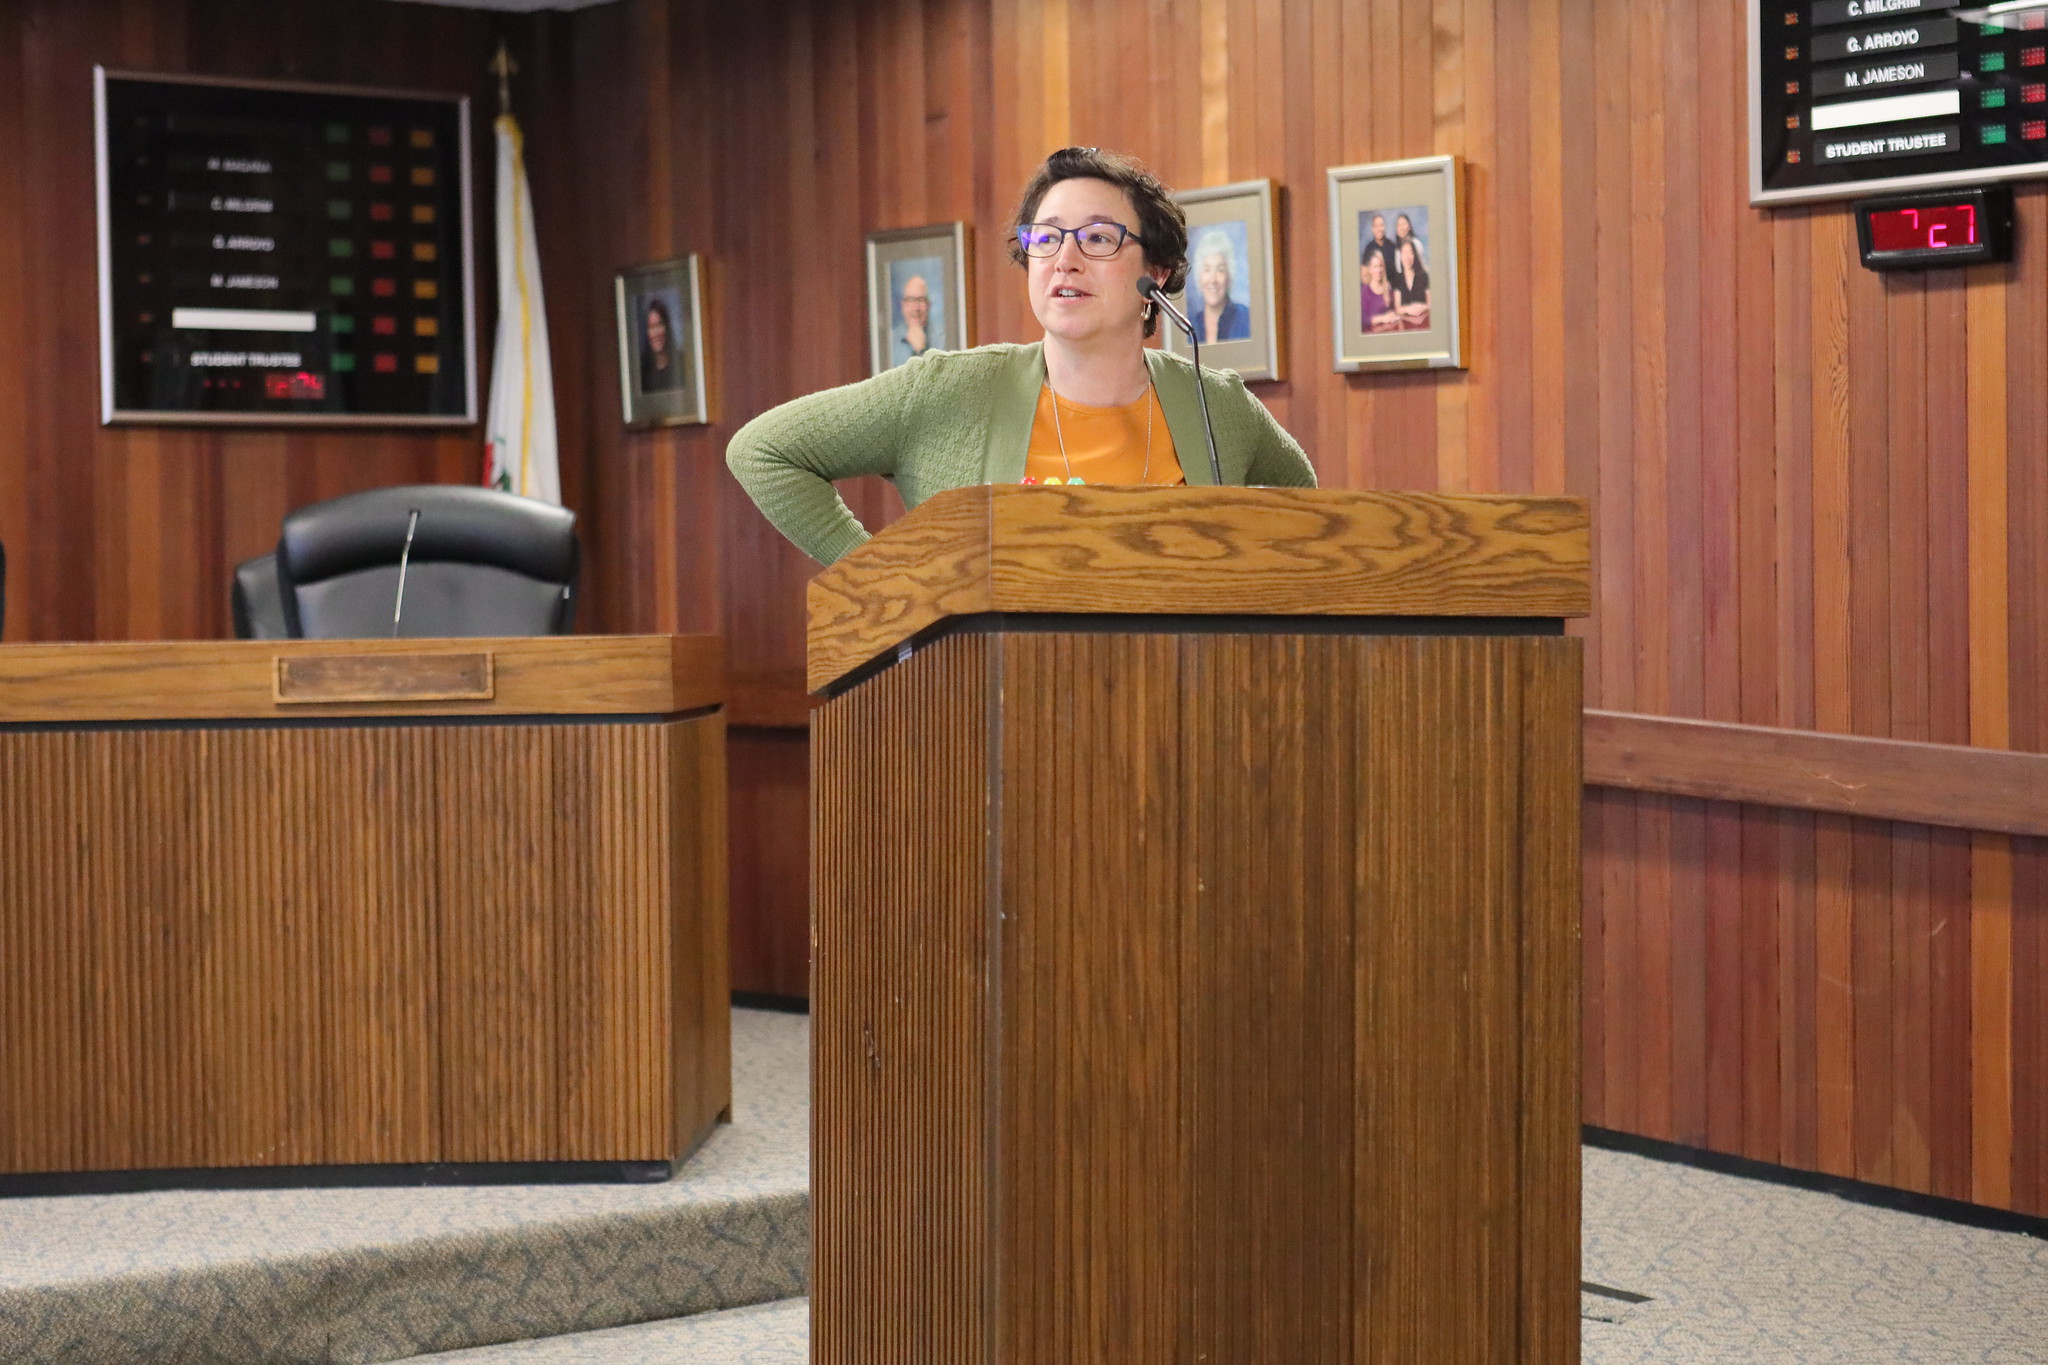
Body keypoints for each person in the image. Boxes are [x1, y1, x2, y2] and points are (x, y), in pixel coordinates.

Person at [727, 146, 1314, 565]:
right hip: (990, 713)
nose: (1066, 258)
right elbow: (764, 451)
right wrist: (887, 585)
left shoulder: (1219, 406)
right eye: (1047, 237)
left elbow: (1306, 509)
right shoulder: (948, 390)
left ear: (1155, 272)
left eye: (1099, 238)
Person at [1186, 228, 1250, 344]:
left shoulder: (1246, 318)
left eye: (1220, 270)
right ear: (1199, 277)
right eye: (1207, 270)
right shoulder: (1189, 324)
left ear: (1229, 276)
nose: (1213, 280)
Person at [889, 274, 939, 366]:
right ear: (902, 306)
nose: (916, 308)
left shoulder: (942, 340)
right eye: (910, 300)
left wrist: (921, 351)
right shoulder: (890, 342)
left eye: (920, 300)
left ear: (929, 305)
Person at [639, 298, 684, 392]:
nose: (655, 333)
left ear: (667, 327)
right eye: (651, 327)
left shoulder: (681, 362)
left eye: (659, 325)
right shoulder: (642, 371)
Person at [1393, 237, 1431, 329]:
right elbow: (1397, 308)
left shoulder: (1423, 275)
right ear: (1400, 256)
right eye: (1404, 253)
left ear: (1414, 255)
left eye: (1410, 253)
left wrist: (1422, 307)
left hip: (1424, 323)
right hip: (1405, 325)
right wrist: (1409, 309)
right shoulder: (1397, 278)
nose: (1407, 257)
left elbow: (1430, 303)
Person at [1360, 248, 1399, 333]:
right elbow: (1362, 319)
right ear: (1370, 269)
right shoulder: (1365, 291)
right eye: (1375, 267)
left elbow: (1394, 310)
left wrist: (1393, 315)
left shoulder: (1388, 288)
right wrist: (1383, 318)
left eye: (1381, 266)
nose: (1379, 270)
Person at [1362, 213, 1399, 287]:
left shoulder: (1392, 246)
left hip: (1391, 288)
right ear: (1372, 229)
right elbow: (1364, 276)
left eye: (1381, 225)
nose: (1379, 229)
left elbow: (1398, 272)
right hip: (1374, 290)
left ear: (1384, 227)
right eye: (1376, 226)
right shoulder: (1369, 248)